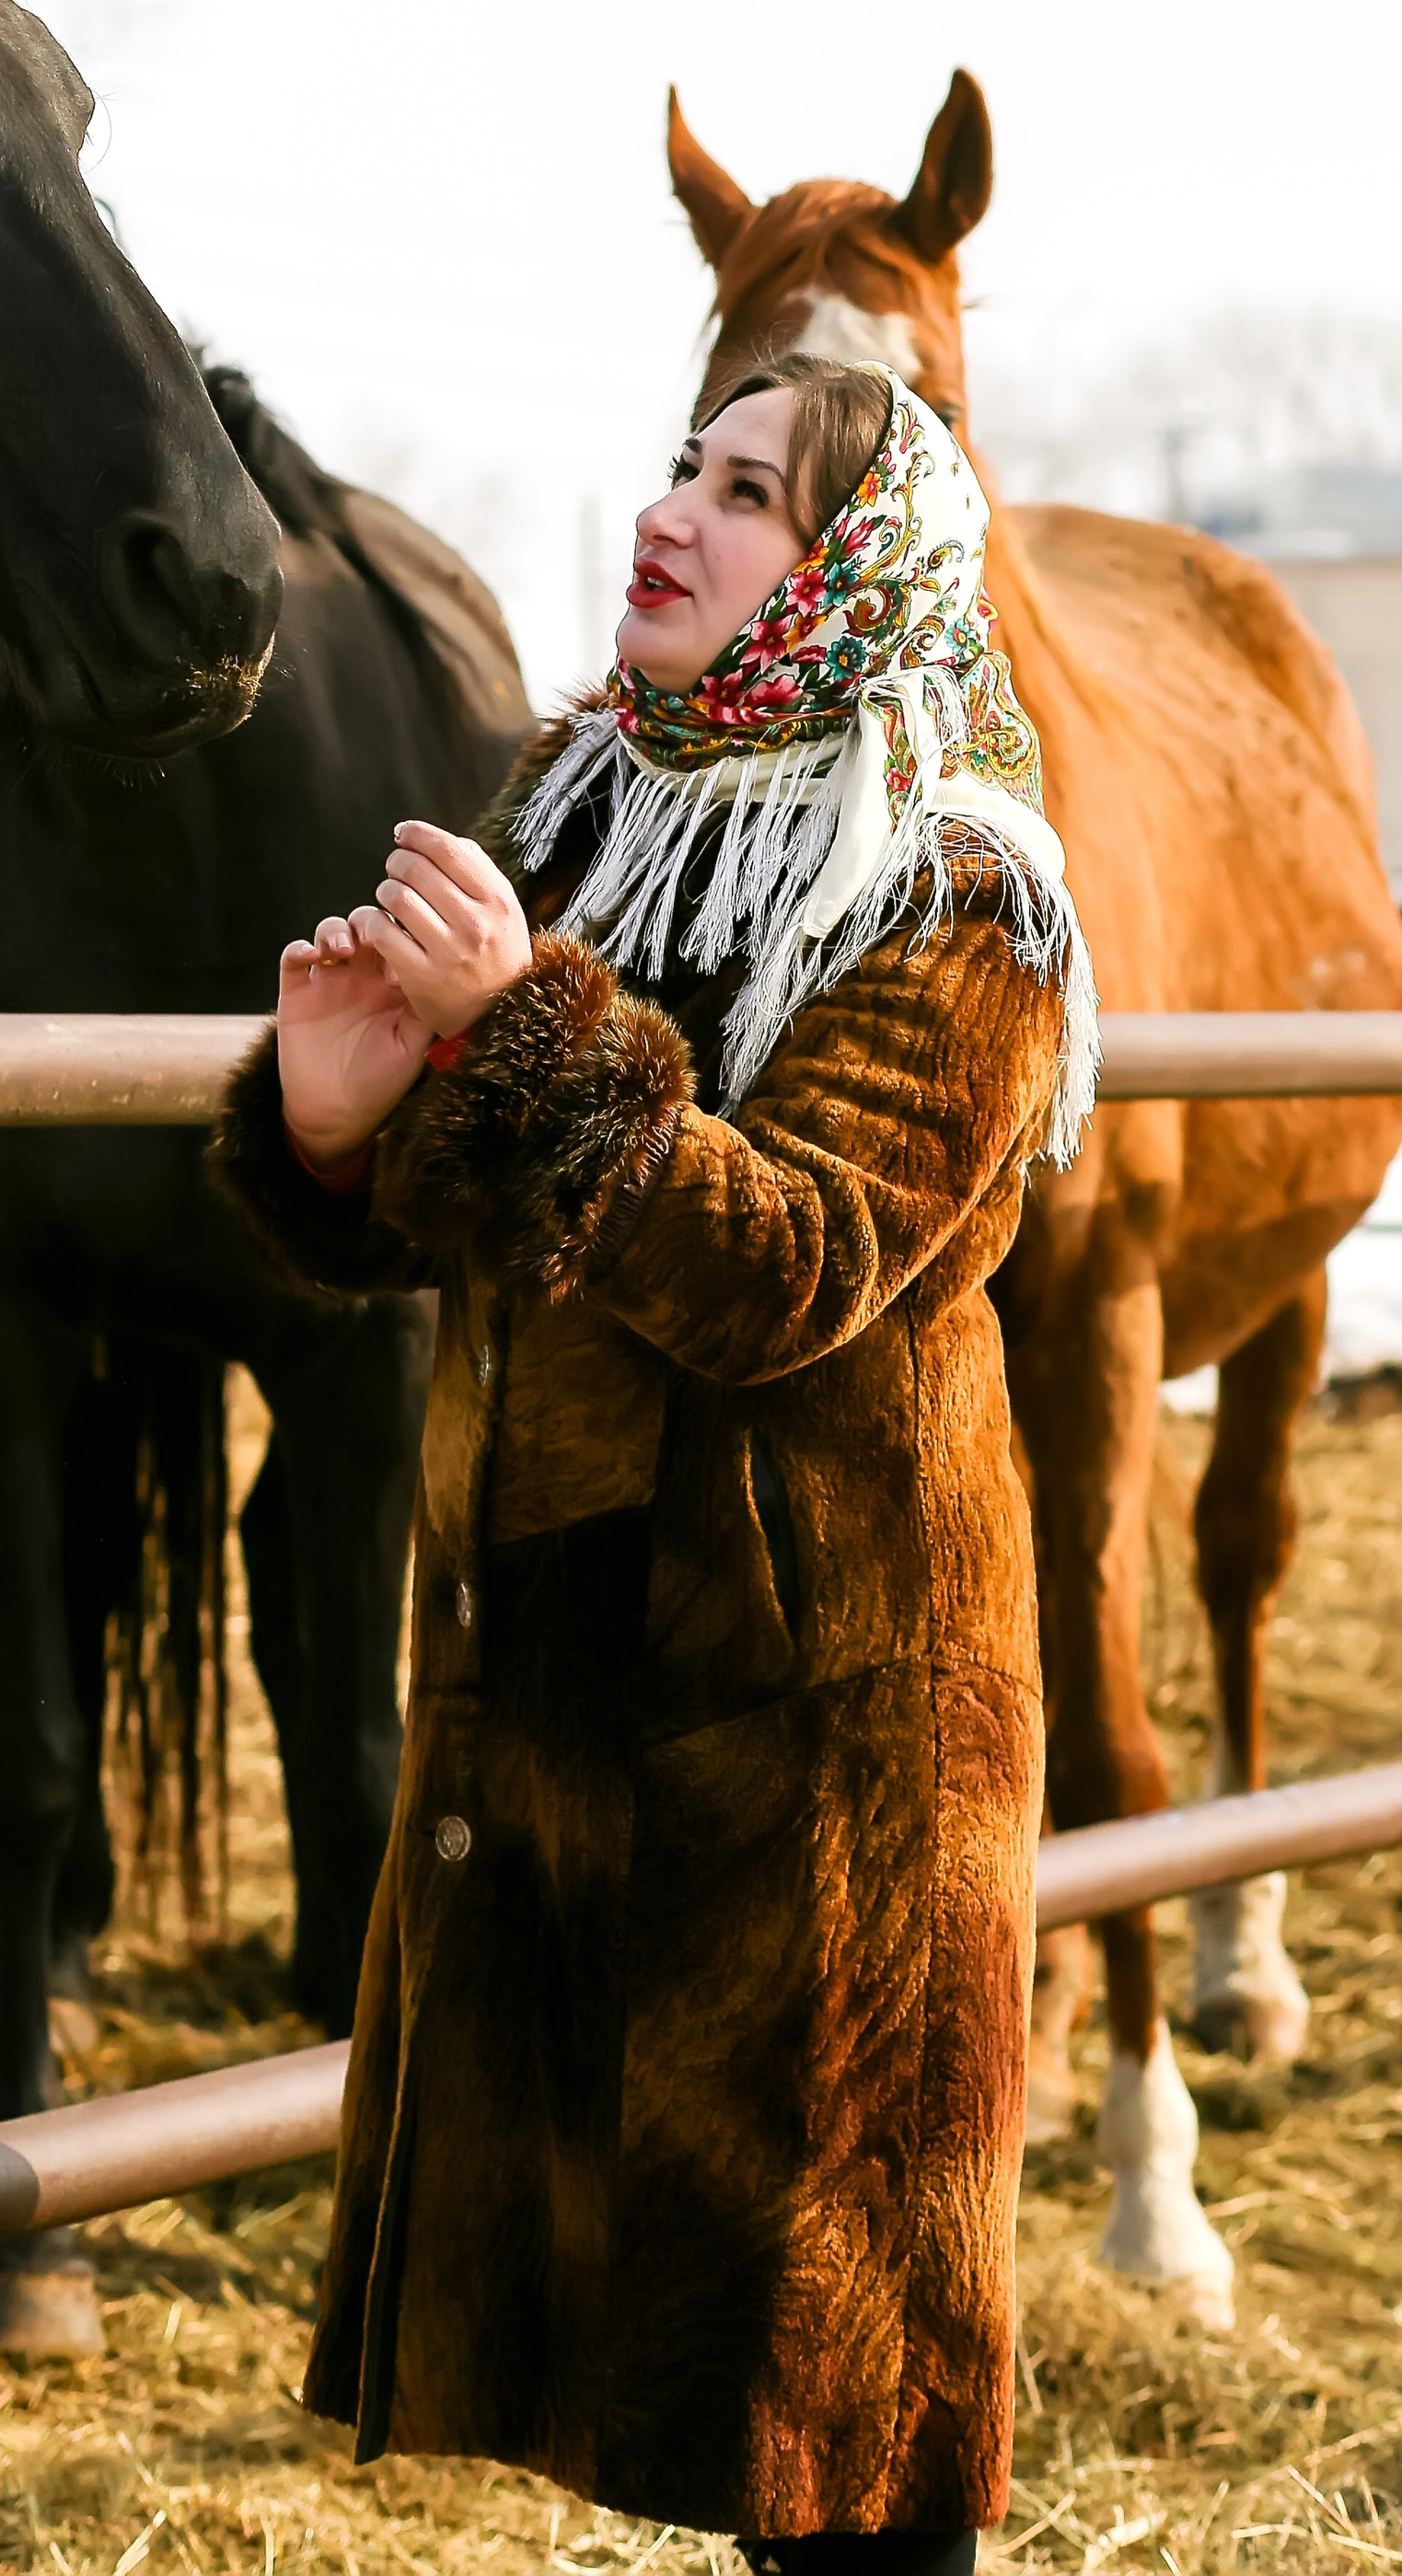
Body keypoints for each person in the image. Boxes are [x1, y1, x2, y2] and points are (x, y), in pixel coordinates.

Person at [212, 354, 1097, 2575]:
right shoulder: (583, 806)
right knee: (651, 2392)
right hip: (562, 1697)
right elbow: (486, 1200)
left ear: (851, 575)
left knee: (834, 2431)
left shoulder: (951, 891)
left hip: (814, 1730)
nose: (671, 513)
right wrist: (332, 1132)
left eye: (747, 494)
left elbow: (788, 1261)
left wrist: (519, 1032)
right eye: (676, 467)